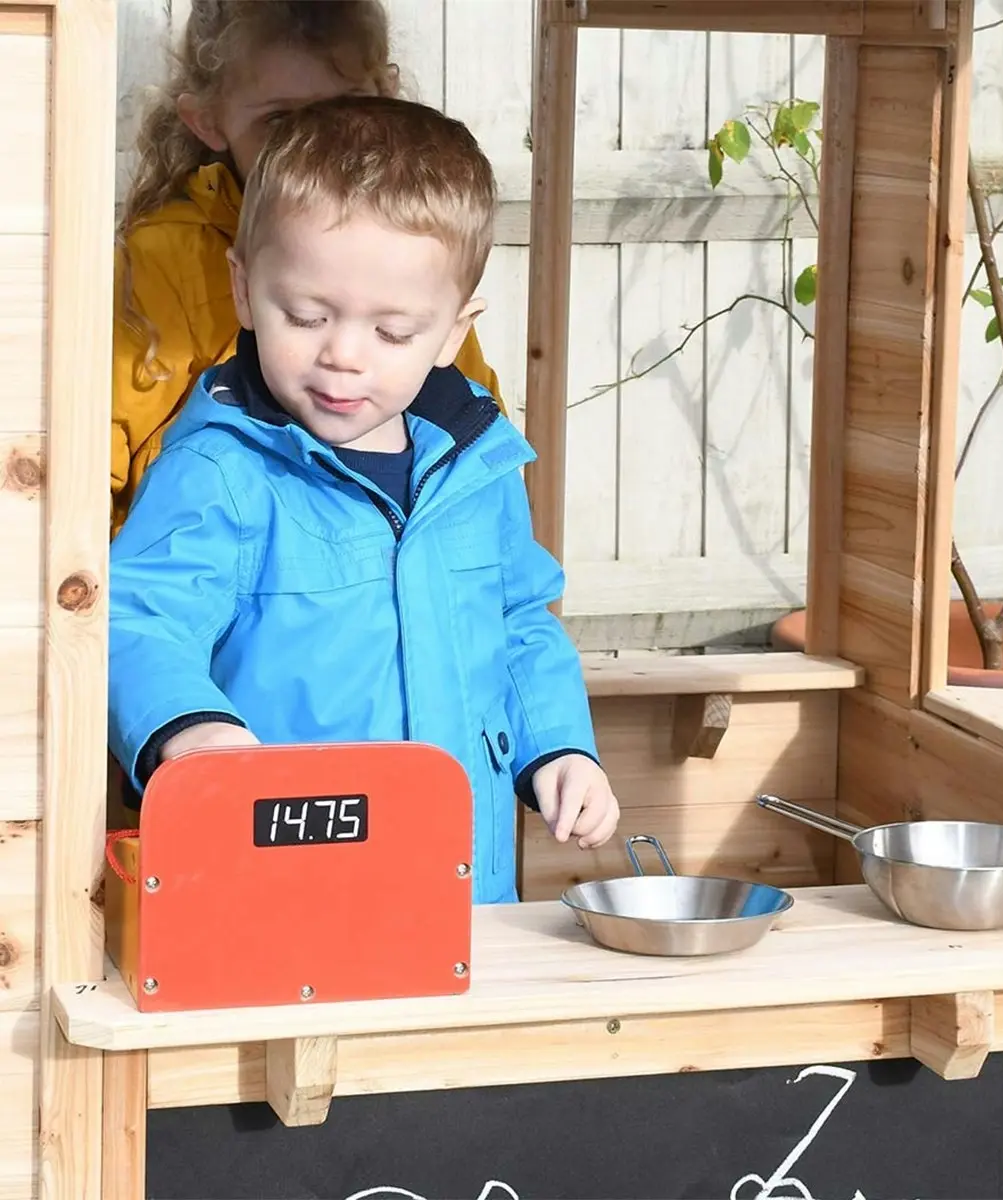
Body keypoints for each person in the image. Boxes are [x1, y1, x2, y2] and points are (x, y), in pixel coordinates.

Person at [106, 96, 620, 905]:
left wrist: (558, 749)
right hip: (283, 896)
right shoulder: (223, 470)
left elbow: (519, 623)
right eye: (306, 315)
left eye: (392, 333)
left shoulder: (477, 468)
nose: (343, 356)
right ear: (244, 290)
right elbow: (134, 617)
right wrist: (188, 725)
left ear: (454, 331)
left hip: (466, 895)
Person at [111, 0, 503, 536]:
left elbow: (473, 449)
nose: (319, 143)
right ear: (207, 120)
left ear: (385, 95)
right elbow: (84, 465)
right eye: (280, 120)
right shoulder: (162, 260)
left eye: (392, 330)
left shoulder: (419, 253)